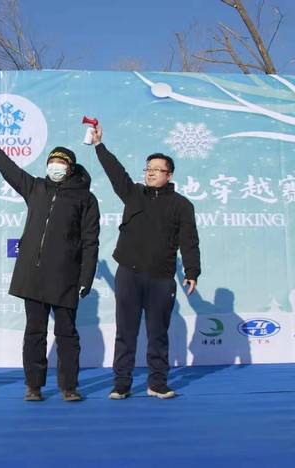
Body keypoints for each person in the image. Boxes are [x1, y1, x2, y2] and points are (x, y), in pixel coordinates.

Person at [0, 123, 100, 402]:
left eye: (61, 163)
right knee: (35, 331)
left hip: (65, 276)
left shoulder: (85, 198)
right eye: (51, 162)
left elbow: (90, 240)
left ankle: (69, 387)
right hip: (32, 274)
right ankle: (33, 385)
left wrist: (86, 277)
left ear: (70, 168)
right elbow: (7, 168)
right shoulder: (35, 188)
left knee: (66, 333)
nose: (55, 167)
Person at [92, 125, 200, 400]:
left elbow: (189, 241)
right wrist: (99, 146)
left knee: (158, 334)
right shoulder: (134, 193)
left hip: (161, 278)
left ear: (169, 175)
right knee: (125, 333)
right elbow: (116, 173)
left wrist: (191, 271)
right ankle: (121, 384)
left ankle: (157, 384)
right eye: (148, 168)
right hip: (129, 274)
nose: (150, 173)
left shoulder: (182, 205)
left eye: (157, 169)